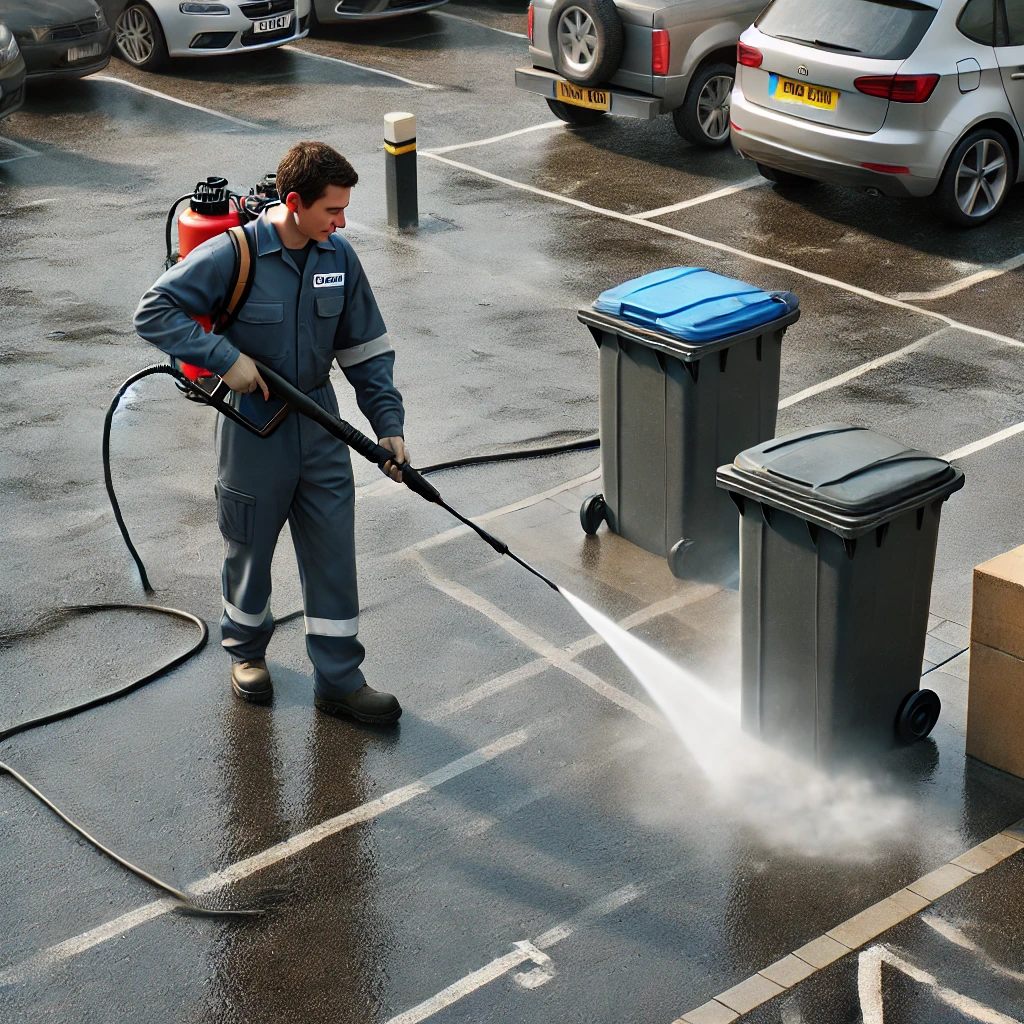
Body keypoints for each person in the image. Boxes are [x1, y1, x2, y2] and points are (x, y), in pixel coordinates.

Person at [134, 141, 405, 725]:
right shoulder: (235, 255)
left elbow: (365, 349)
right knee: (250, 546)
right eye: (333, 210)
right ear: (293, 203)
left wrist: (389, 427)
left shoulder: (340, 257)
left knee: (334, 551)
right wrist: (222, 357)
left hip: (321, 422)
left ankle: (339, 680)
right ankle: (246, 654)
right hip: (253, 426)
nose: (342, 221)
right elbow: (153, 311)